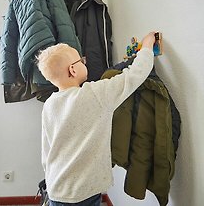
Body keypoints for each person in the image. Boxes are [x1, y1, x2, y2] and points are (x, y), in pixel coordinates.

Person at [36, 32, 156, 206]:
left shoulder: (49, 104)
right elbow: (133, 77)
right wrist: (147, 47)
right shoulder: (94, 94)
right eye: (81, 60)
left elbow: (46, 151)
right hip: (84, 192)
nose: (85, 62)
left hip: (56, 188)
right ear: (73, 69)